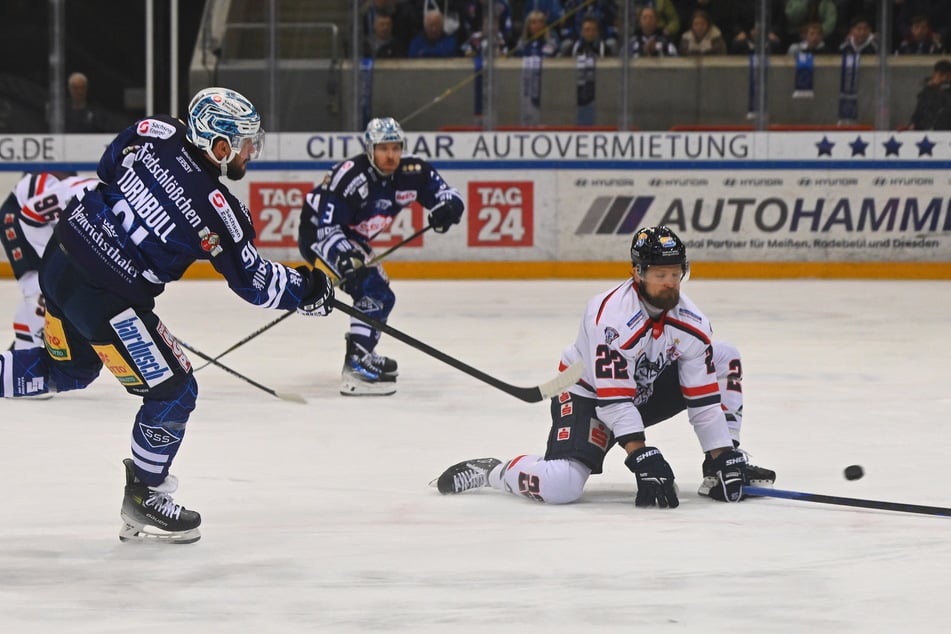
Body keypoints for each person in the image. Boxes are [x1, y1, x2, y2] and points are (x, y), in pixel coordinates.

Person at [0, 87, 335, 544]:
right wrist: (308, 288)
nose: (250, 152)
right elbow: (254, 283)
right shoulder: (221, 212)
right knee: (176, 389)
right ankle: (145, 493)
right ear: (220, 145)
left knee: (71, 371)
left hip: (61, 260)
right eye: (245, 143)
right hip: (106, 298)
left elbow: (107, 169)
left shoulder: (154, 130)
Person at [432, 226, 776, 507]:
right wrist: (641, 456)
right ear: (637, 273)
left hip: (641, 390)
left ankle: (723, 466)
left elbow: (702, 400)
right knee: (561, 486)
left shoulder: (691, 321)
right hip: (588, 394)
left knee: (723, 353)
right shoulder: (611, 318)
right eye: (660, 274)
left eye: (675, 273)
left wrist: (720, 453)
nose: (670, 283)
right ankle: (493, 471)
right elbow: (613, 401)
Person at [297, 117, 464, 397]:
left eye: (396, 148)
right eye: (383, 148)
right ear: (370, 149)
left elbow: (449, 194)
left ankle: (362, 353)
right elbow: (327, 227)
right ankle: (356, 365)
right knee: (373, 289)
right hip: (320, 235)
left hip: (354, 237)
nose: (391, 155)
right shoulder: (350, 175)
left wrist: (448, 208)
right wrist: (344, 257)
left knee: (380, 293)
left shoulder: (413, 171)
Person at [0, 170, 99, 350]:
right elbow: (30, 216)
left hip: (36, 216)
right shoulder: (78, 194)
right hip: (16, 215)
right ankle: (24, 351)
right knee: (38, 289)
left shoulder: (95, 197)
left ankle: (25, 352)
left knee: (53, 286)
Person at [909, 59, 951, 130]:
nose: (936, 78)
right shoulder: (928, 90)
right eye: (936, 75)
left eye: (940, 75)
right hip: (928, 129)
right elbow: (920, 108)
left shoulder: (945, 91)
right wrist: (914, 123)